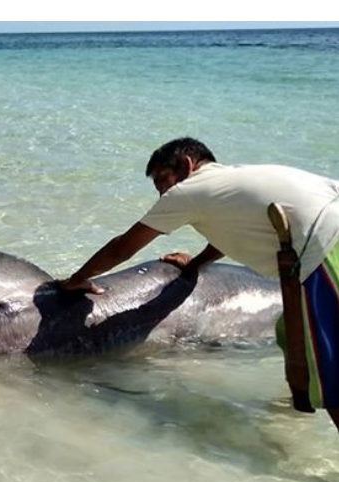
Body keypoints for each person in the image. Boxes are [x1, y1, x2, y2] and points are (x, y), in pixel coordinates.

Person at [58, 137, 339, 432]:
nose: (163, 193)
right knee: (291, 333)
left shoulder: (188, 191)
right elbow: (229, 234)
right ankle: (294, 411)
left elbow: (123, 247)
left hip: (324, 251)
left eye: (163, 181)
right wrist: (196, 264)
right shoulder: (232, 181)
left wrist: (77, 279)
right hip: (324, 240)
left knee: (330, 368)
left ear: (185, 165)